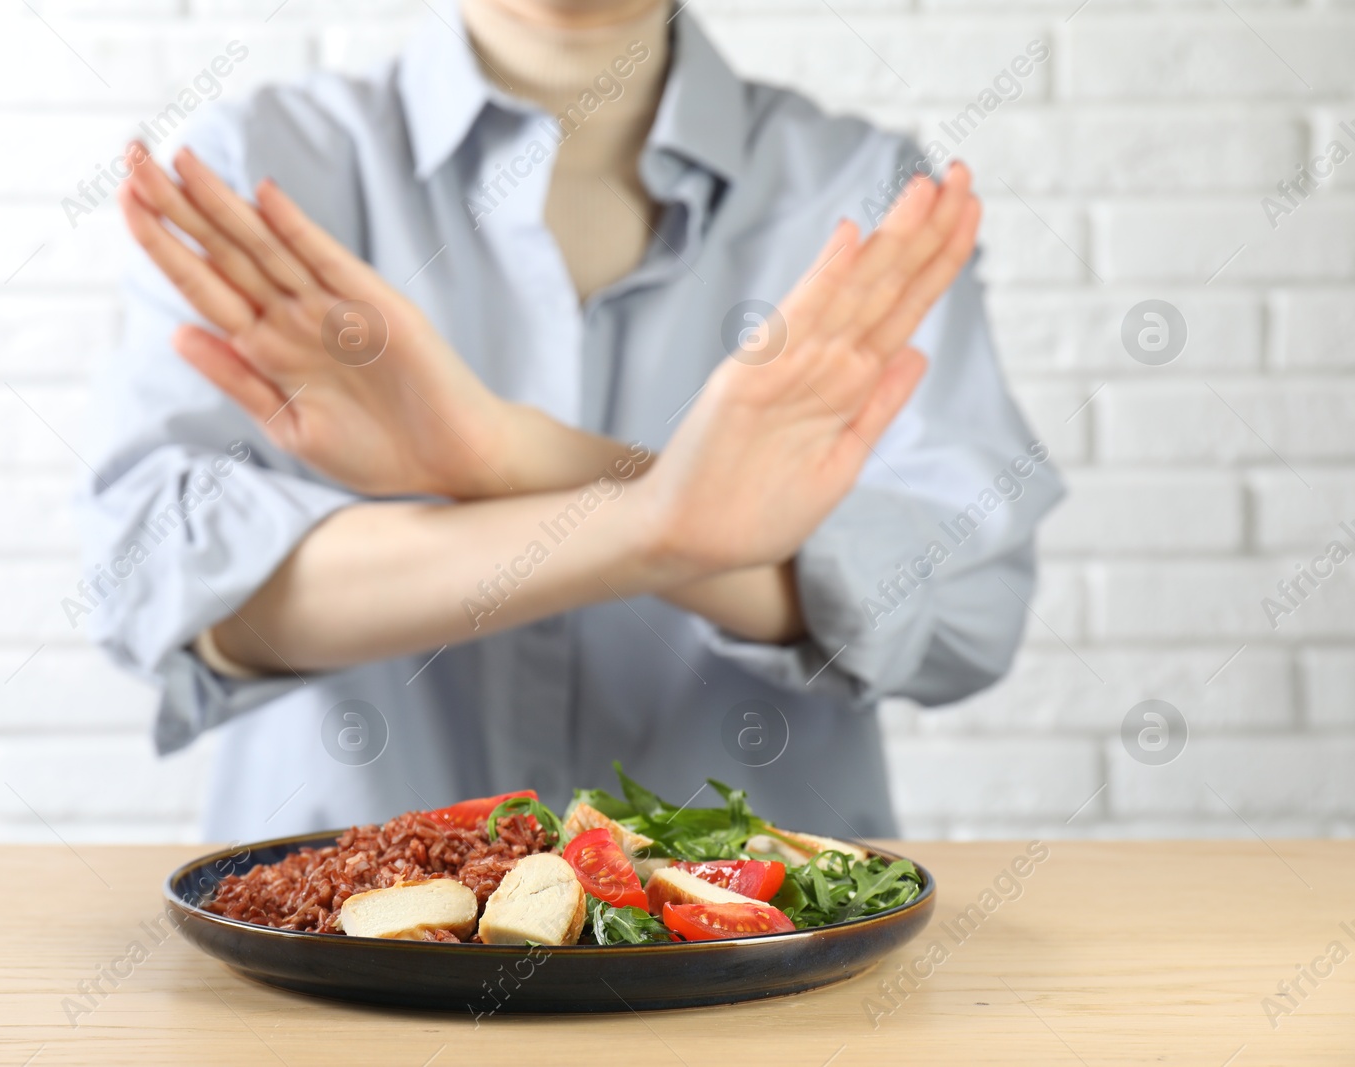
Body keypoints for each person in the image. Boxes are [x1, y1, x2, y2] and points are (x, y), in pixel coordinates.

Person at [81, 0, 1064, 843]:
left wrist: (519, 459)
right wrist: (653, 527)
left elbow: (967, 605)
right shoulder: (254, 166)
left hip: (749, 971)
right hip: (335, 960)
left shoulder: (864, 190)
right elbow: (157, 573)